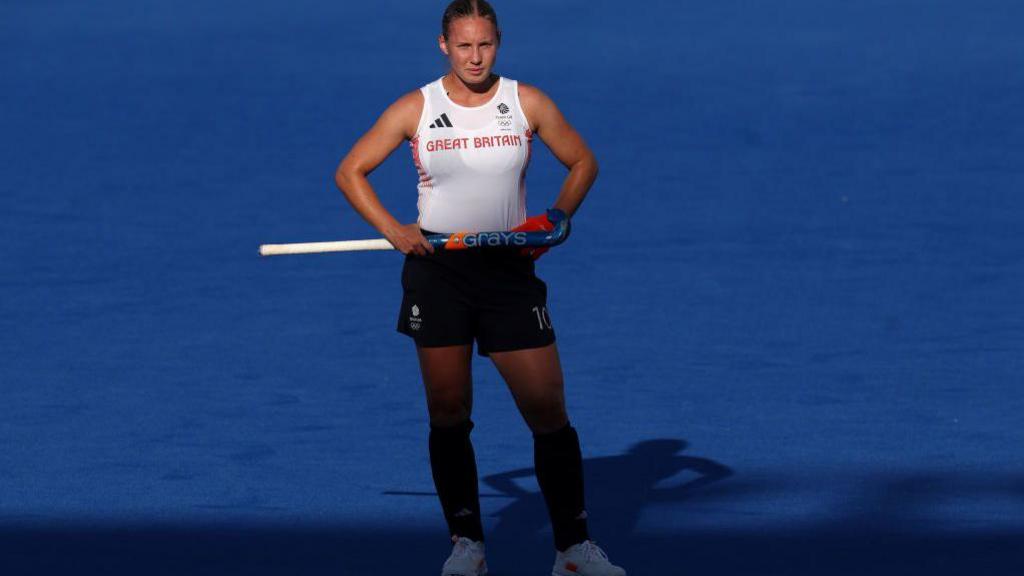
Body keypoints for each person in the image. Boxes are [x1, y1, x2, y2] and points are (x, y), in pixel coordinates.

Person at [334, 2, 625, 575]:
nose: (475, 57)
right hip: (437, 273)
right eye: (464, 46)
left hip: (507, 271)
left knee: (547, 411)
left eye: (485, 45)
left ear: (498, 43)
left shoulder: (526, 103)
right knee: (448, 410)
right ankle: (466, 546)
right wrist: (395, 230)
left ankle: (573, 550)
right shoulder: (418, 107)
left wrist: (560, 216)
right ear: (444, 45)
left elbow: (583, 162)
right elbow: (350, 170)